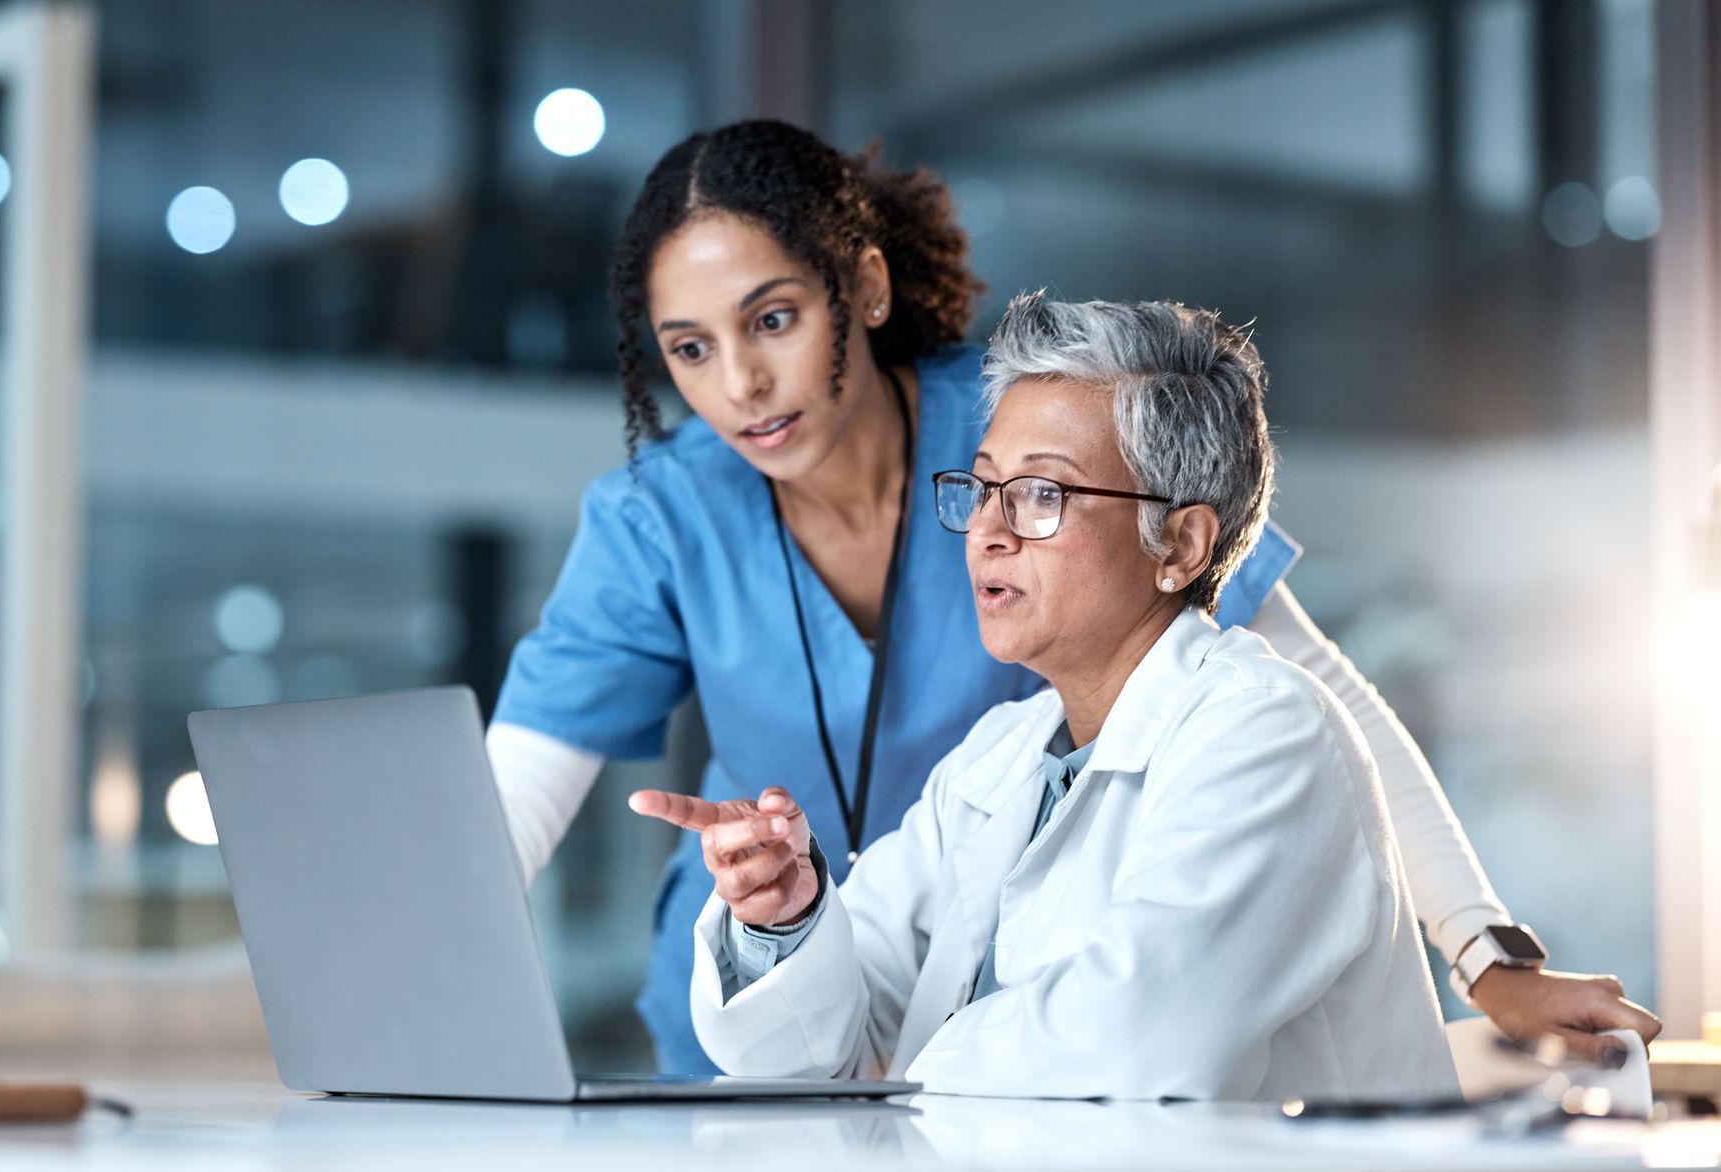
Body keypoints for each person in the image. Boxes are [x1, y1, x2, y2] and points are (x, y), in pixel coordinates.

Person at [487, 119, 1660, 1073]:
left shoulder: (1030, 429)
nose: (739, 384)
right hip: (828, 1002)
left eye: (774, 320)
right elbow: (506, 815)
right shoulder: (669, 516)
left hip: (1008, 1034)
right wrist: (782, 915)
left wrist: (1485, 952)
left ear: (866, 288)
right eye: (688, 349)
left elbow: (1321, 695)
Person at [632, 295, 1459, 1100]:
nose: (989, 529)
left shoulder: (1267, 733)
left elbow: (1139, 1041)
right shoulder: (1003, 753)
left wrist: (902, 1072)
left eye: (1041, 495)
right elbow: (827, 1041)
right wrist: (787, 921)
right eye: (985, 487)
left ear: (1179, 542)